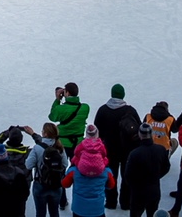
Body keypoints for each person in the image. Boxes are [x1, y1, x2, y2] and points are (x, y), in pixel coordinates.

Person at [92, 83, 140, 211]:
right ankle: (125, 203)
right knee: (126, 176)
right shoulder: (130, 111)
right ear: (123, 95)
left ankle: (111, 202)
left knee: (110, 175)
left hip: (109, 150)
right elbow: (138, 129)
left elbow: (97, 132)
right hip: (127, 150)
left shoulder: (103, 110)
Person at [121, 123, 170, 217]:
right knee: (152, 213)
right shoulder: (161, 149)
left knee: (135, 214)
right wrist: (156, 176)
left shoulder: (135, 154)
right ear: (152, 134)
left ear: (139, 135)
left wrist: (135, 185)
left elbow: (128, 175)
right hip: (154, 190)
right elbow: (166, 167)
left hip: (138, 192)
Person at [24, 123, 66, 217]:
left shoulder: (37, 148)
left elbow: (28, 165)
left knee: (40, 213)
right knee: (55, 212)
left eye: (43, 130)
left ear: (45, 134)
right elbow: (65, 164)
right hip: (56, 184)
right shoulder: (60, 148)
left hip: (40, 184)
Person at [60, 147, 115, 217]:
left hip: (79, 209)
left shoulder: (74, 171)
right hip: (97, 209)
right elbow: (111, 186)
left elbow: (65, 184)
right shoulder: (106, 171)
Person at [50, 83, 91, 158]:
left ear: (67, 93)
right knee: (77, 167)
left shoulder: (60, 109)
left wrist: (57, 99)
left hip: (63, 143)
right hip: (78, 143)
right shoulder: (85, 108)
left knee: (61, 166)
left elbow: (52, 117)